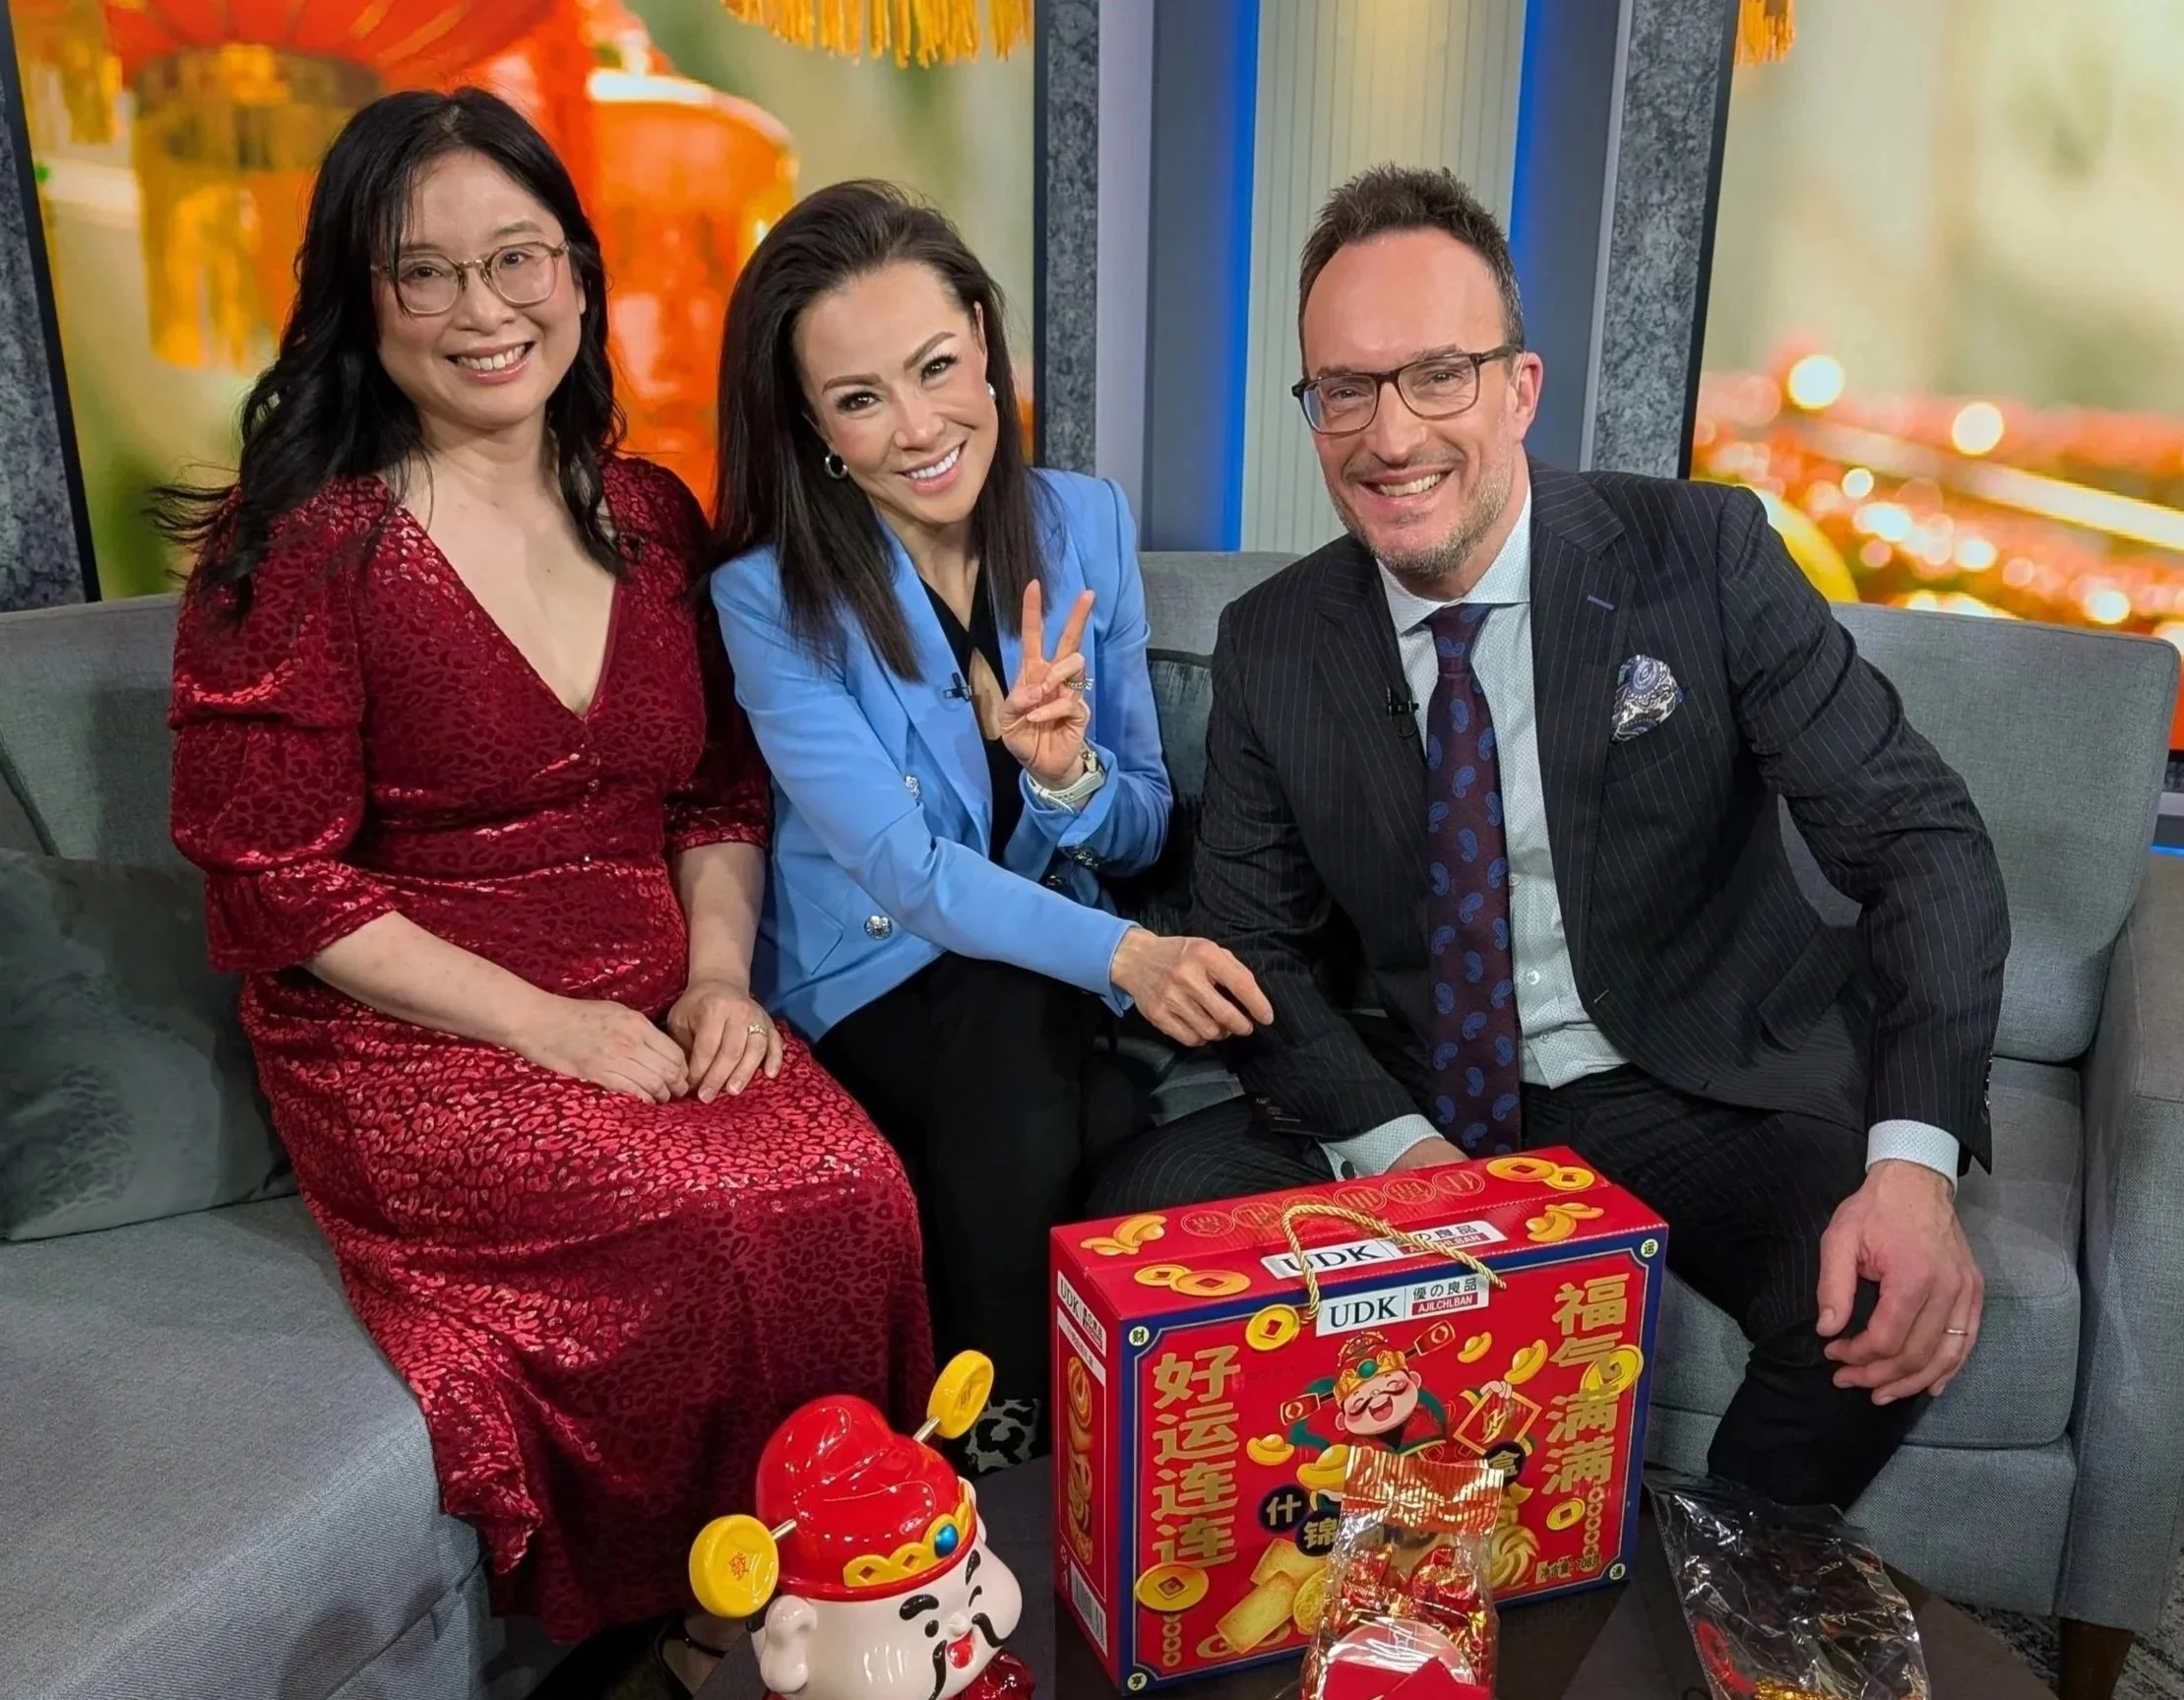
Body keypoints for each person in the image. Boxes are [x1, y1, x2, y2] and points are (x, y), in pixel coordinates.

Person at [1091, 164, 2009, 1513]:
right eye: (1342, 388)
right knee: (1141, 1214)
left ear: (1519, 389)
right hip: (1415, 1083)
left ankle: (1688, 1612)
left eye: (1436, 376)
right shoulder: (1275, 643)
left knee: (1869, 1300)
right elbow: (1256, 946)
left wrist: (1912, 1165)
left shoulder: (1699, 554)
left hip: (1687, 1070)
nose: (1387, 434)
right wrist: (1402, 1155)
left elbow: (1918, 839)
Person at [159, 91, 931, 1657]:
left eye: (516, 258)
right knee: (694, 1208)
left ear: (577, 274)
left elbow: (716, 792)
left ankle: (848, 1594)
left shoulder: (651, 522)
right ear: (360, 302)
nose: (481, 309)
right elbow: (275, 880)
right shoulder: (304, 548)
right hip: (406, 1020)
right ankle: (673, 1624)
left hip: (654, 978)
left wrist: (719, 974)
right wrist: (543, 1025)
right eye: (422, 272)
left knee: (853, 1188)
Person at [709, 181, 1270, 1468]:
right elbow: (906, 875)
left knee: (1104, 1127)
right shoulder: (764, 599)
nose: (917, 428)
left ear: (979, 331)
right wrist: (1128, 959)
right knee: (1032, 1041)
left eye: (935, 367)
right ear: (812, 426)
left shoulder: (1083, 522)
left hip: (1042, 965)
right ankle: (1014, 1455)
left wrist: (1070, 777)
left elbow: (1133, 834)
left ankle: (1008, 1445)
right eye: (860, 399)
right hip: (876, 976)